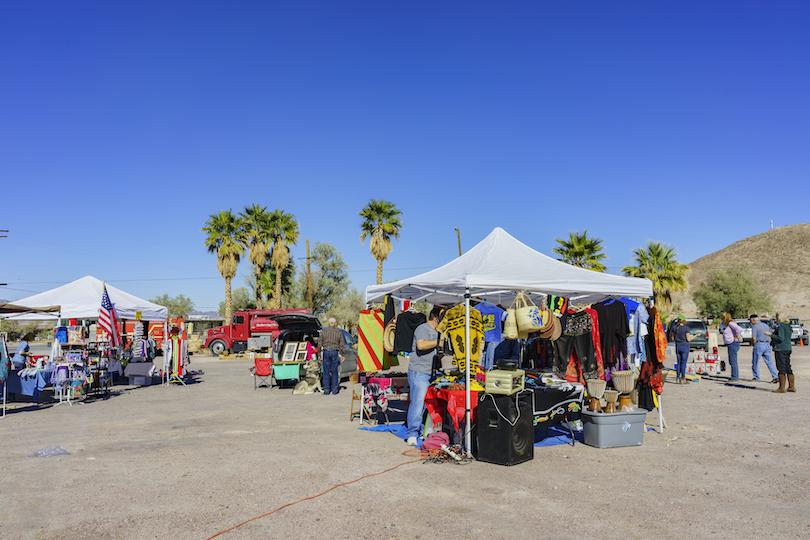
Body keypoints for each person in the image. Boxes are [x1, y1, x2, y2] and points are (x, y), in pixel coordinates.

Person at [405, 307, 442, 446]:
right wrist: (438, 342)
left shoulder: (436, 331)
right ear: (437, 318)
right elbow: (420, 345)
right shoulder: (423, 328)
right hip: (419, 372)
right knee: (417, 404)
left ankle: (422, 431)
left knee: (427, 405)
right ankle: (412, 434)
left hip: (430, 373)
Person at [318, 318, 345, 395]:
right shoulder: (339, 332)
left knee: (326, 372)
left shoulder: (323, 332)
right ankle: (335, 390)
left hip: (326, 352)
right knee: (334, 371)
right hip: (335, 352)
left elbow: (319, 344)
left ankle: (326, 390)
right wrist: (343, 354)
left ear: (328, 323)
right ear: (335, 324)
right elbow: (342, 344)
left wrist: (319, 354)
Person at [770, 313, 795, 393]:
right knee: (788, 366)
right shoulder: (788, 326)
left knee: (781, 366)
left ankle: (782, 387)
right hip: (788, 348)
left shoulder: (780, 326)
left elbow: (780, 338)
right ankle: (792, 386)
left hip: (780, 348)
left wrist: (770, 335)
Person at [750, 314, 778, 383]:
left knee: (755, 362)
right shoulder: (766, 325)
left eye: (751, 321)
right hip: (767, 344)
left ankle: (757, 377)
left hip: (759, 344)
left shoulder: (755, 326)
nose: (750, 322)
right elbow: (770, 336)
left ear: (753, 320)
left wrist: (754, 344)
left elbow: (754, 338)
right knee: (769, 362)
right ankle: (775, 376)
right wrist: (768, 343)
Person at [673, 316, 697, 384]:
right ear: (684, 321)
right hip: (685, 346)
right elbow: (688, 339)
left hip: (678, 346)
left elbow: (672, 338)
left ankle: (677, 378)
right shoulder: (686, 328)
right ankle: (683, 378)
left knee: (678, 363)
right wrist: (695, 336)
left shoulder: (674, 328)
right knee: (683, 363)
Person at [720, 313, 743, 382]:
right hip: (730, 344)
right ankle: (734, 376)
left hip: (732, 343)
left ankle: (734, 377)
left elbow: (739, 329)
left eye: (722, 318)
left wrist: (736, 336)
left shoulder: (731, 323)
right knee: (732, 360)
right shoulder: (727, 324)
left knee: (733, 361)